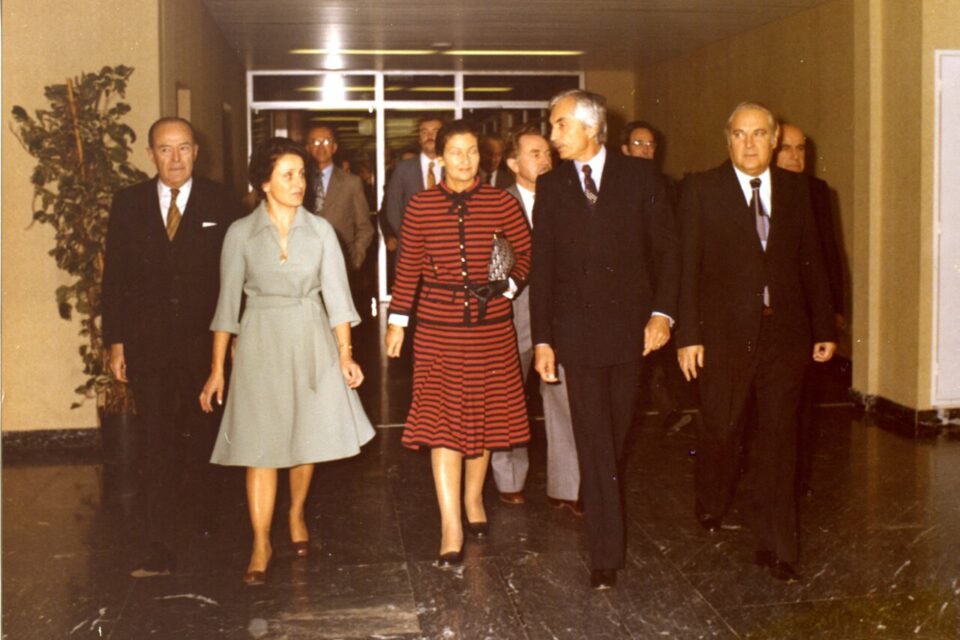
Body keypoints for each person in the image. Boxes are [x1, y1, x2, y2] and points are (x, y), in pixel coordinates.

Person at [199, 137, 375, 585]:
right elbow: (226, 308)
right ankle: (260, 541)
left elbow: (338, 299)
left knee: (303, 438)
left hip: (311, 338)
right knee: (260, 447)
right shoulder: (240, 233)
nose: (299, 184)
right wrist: (218, 370)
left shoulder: (321, 233)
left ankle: (296, 514)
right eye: (288, 175)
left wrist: (346, 356)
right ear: (264, 182)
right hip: (259, 342)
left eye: (303, 175)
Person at [676, 103, 837, 582]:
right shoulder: (702, 189)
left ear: (774, 140)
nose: (749, 144)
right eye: (740, 135)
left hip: (783, 336)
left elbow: (813, 262)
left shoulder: (797, 191)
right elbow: (687, 268)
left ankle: (778, 544)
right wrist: (688, 336)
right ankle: (711, 499)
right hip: (723, 338)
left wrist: (824, 327)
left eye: (759, 134)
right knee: (722, 429)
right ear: (728, 140)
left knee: (779, 439)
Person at [530, 90, 680, 590]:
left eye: (560, 126)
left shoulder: (641, 178)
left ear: (590, 128)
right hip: (576, 336)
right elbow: (544, 267)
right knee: (594, 439)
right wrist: (545, 339)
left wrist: (662, 314)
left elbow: (668, 252)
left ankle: (600, 499)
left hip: (632, 336)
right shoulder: (550, 187)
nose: (553, 137)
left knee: (613, 438)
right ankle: (605, 554)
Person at [384, 120, 532, 567]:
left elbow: (524, 254)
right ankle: (450, 521)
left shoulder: (502, 202)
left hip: (491, 325)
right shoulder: (422, 206)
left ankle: (473, 501)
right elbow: (408, 266)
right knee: (443, 423)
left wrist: (505, 286)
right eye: (456, 152)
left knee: (482, 416)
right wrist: (397, 324)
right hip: (438, 327)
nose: (465, 160)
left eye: (472, 152)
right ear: (440, 157)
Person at [102, 116, 240, 577]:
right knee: (155, 442)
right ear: (151, 154)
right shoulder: (128, 204)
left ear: (197, 151)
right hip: (149, 347)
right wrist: (116, 341)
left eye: (183, 148)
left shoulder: (223, 201)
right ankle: (158, 542)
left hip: (206, 347)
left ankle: (204, 518)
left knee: (204, 432)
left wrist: (235, 336)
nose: (175, 158)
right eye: (165, 149)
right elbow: (115, 278)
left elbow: (236, 277)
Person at [490, 124, 582, 515]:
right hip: (514, 314)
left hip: (562, 315)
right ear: (513, 163)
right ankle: (509, 478)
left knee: (564, 396)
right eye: (535, 154)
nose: (545, 160)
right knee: (509, 396)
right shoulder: (497, 204)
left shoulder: (570, 199)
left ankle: (569, 486)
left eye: (548, 153)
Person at [776, 122, 846, 495]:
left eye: (801, 149)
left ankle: (794, 482)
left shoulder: (817, 192)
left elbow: (831, 255)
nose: (796, 156)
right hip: (762, 318)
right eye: (787, 148)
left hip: (806, 317)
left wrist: (833, 313)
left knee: (801, 402)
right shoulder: (755, 192)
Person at [620, 120, 692, 433]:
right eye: (639, 144)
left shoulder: (667, 185)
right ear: (624, 149)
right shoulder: (615, 186)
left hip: (658, 285)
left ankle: (667, 411)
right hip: (627, 287)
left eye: (650, 145)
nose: (646, 150)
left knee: (657, 354)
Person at [305, 126, 375, 275]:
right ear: (308, 148)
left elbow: (365, 227)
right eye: (315, 142)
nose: (321, 146)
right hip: (305, 263)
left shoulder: (352, 182)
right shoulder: (300, 181)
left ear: (334, 147)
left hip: (341, 262)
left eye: (326, 141)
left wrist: (356, 258)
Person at [383, 114, 445, 244]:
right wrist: (409, 238)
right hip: (411, 248)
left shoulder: (454, 168)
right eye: (424, 132)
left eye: (435, 132)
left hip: (448, 247)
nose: (430, 136)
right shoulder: (402, 169)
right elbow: (392, 208)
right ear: (419, 138)